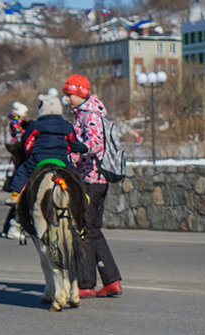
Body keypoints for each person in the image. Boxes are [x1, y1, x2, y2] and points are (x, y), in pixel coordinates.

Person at [65, 73, 123, 298]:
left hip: (91, 179)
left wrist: (75, 153)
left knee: (86, 231)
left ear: (80, 93)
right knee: (93, 230)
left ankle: (86, 284)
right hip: (96, 180)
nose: (67, 100)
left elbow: (95, 145)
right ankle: (111, 280)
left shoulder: (89, 115)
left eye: (70, 95)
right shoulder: (88, 113)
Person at [9, 94, 87, 196]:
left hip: (38, 158)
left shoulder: (34, 125)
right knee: (74, 174)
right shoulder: (67, 126)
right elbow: (72, 142)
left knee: (23, 170)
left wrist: (30, 153)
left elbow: (27, 143)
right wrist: (66, 150)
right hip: (61, 158)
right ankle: (82, 194)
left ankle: (16, 193)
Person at [1, 101, 29, 239]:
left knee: (19, 196)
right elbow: (20, 137)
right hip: (21, 160)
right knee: (20, 195)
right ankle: (11, 226)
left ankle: (8, 227)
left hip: (18, 160)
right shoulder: (18, 122)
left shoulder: (14, 121)